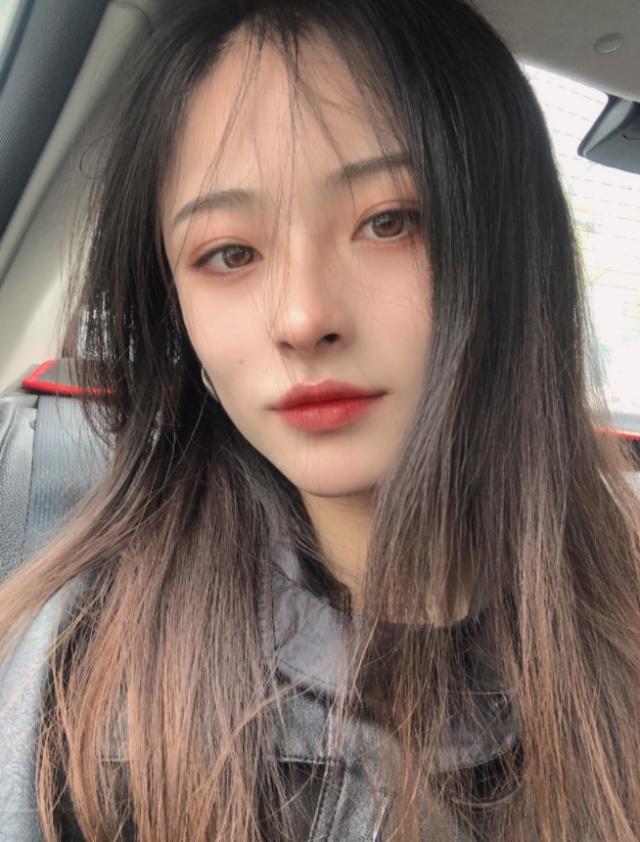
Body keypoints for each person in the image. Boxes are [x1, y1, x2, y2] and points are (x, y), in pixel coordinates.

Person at [1, 0, 640, 839]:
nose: (303, 318)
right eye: (229, 253)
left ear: (513, 249)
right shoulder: (82, 684)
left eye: (389, 222)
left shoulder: (621, 624)